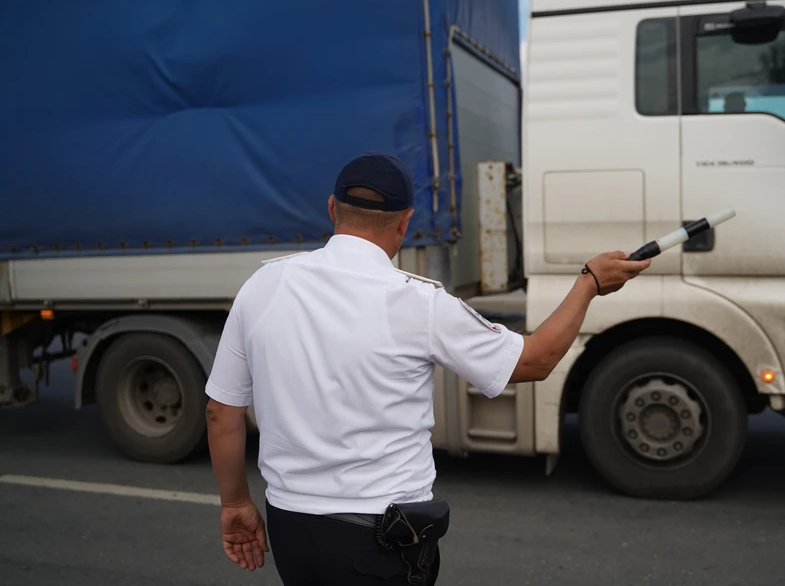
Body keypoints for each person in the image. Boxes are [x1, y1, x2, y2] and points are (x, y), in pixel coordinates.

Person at [203, 152, 652, 585]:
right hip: (377, 537)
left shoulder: (264, 285)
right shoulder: (419, 302)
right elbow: (534, 361)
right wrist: (588, 284)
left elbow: (220, 412)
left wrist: (236, 503)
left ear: (332, 209)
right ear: (405, 221)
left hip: (291, 527)